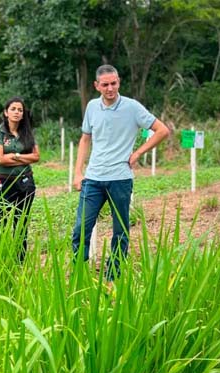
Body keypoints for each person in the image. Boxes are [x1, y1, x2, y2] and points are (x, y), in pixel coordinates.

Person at [71, 64, 170, 280]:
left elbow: (162, 130)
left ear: (119, 82)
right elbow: (85, 138)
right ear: (96, 86)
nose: (110, 88)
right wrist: (78, 172)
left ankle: (112, 276)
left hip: (120, 179)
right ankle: (79, 273)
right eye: (105, 84)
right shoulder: (92, 107)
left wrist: (137, 153)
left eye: (113, 83)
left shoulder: (132, 107)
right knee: (81, 229)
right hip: (93, 179)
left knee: (120, 231)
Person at [0, 96, 40, 262]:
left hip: (25, 182)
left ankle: (20, 261)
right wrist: (25, 157)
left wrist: (15, 155)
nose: (17, 112)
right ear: (6, 112)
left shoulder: (27, 132)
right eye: (13, 109)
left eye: (20, 110)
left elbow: (36, 156)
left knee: (21, 223)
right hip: (3, 181)